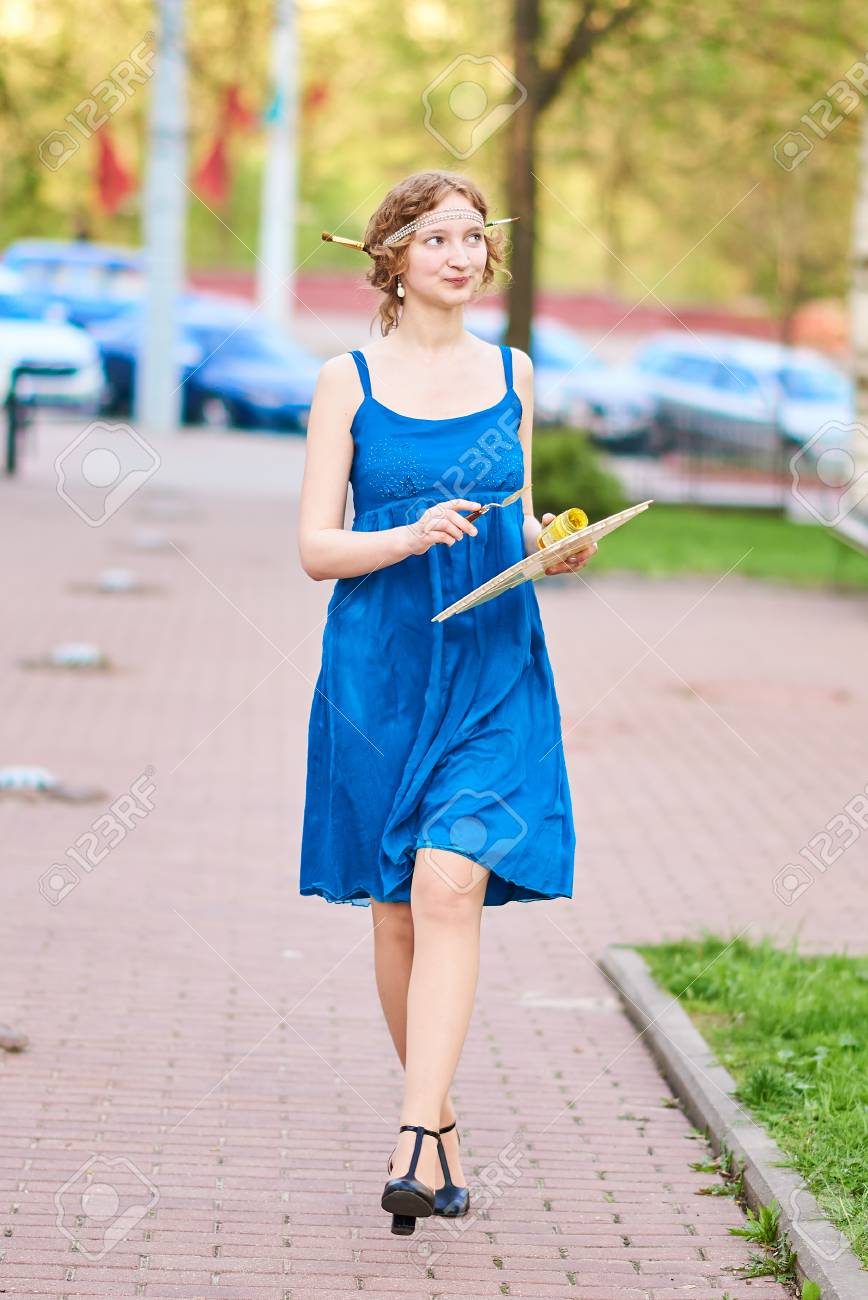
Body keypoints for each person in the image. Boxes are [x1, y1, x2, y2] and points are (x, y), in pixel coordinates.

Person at [296, 169, 597, 1235]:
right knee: (392, 907)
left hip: (492, 660)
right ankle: (443, 1133)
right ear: (390, 257)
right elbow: (314, 547)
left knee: (448, 885)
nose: (463, 255)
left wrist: (554, 553)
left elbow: (514, 523)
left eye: (476, 237)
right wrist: (406, 535)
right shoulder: (346, 379)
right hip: (379, 669)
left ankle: (410, 1136)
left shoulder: (514, 372)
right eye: (438, 238)